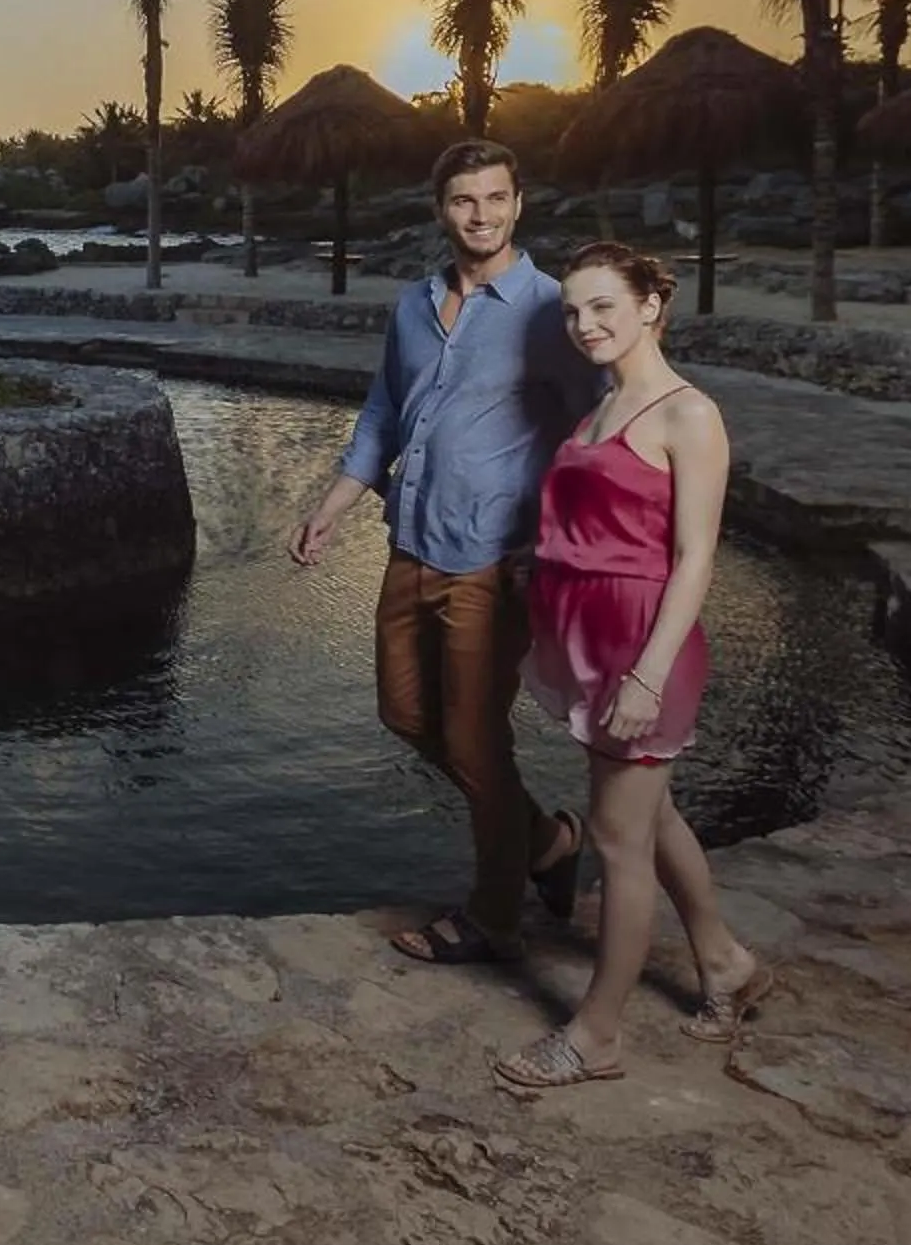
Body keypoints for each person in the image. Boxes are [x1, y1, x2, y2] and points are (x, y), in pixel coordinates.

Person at [290, 139, 599, 965]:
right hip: (410, 542)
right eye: (464, 201)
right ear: (441, 211)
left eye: (495, 198)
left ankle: (494, 915)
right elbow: (381, 417)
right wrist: (329, 509)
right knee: (404, 712)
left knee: (474, 739)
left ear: (519, 202)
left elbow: (590, 435)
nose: (481, 215)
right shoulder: (412, 307)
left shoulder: (550, 311)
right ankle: (546, 841)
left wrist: (556, 544)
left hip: (493, 562)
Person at [492, 241, 773, 1088]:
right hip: (588, 635)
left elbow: (693, 560)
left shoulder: (689, 414)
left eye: (604, 305)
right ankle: (724, 963)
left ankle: (598, 1033)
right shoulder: (602, 407)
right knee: (651, 817)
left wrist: (647, 676)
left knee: (617, 839)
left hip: (643, 645)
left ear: (653, 304)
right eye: (573, 310)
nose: (585, 324)